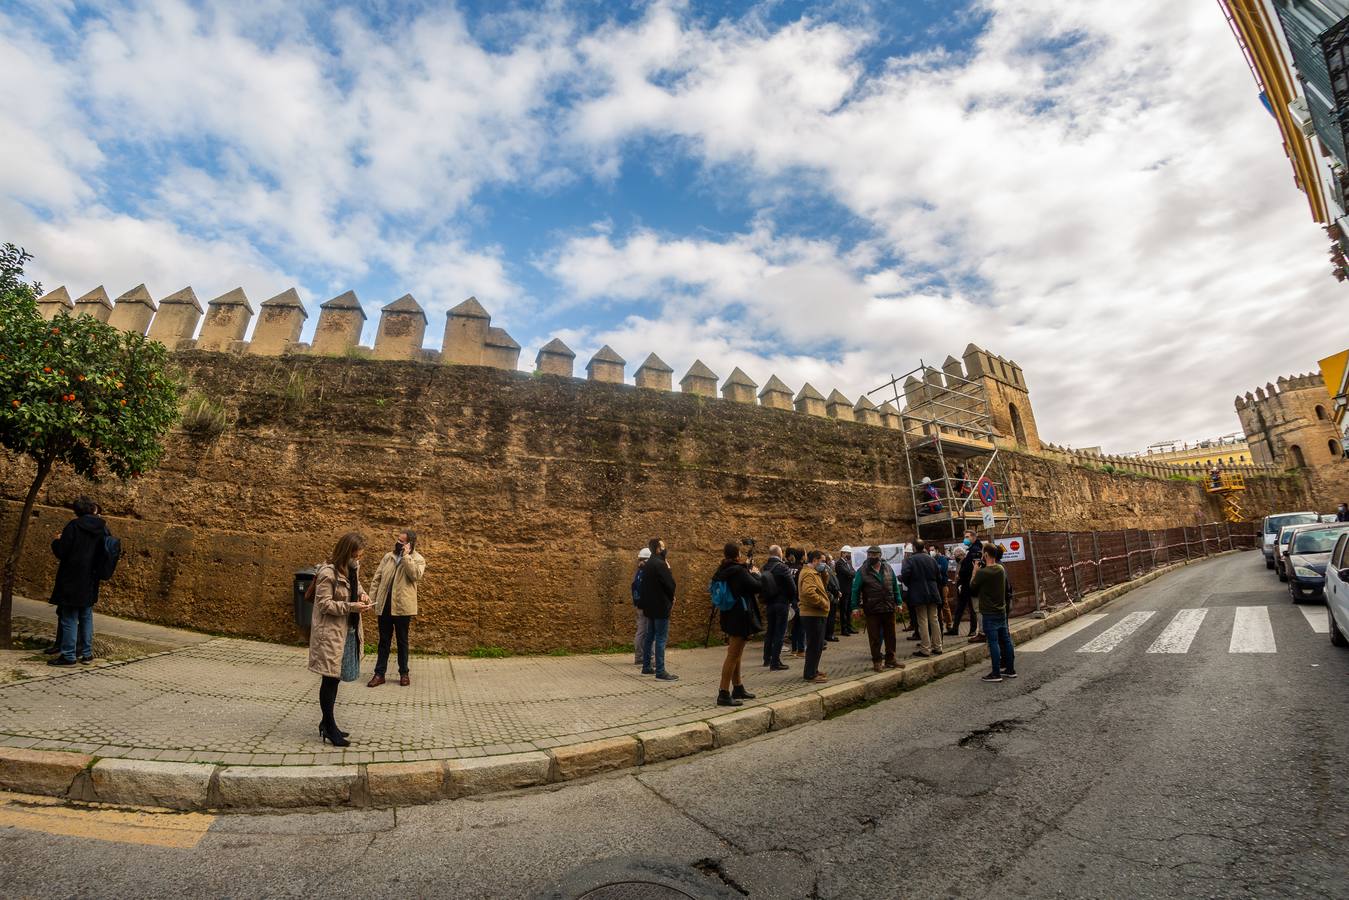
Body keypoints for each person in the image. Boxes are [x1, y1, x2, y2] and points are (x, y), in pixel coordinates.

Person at [309, 532, 372, 746]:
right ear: (347, 553)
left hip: (346, 630)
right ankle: (329, 726)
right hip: (330, 633)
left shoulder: (351, 569)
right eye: (356, 555)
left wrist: (362, 595)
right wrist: (351, 606)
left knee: (335, 678)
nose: (359, 559)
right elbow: (324, 604)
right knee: (330, 679)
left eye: (360, 556)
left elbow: (355, 587)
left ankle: (328, 724)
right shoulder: (328, 573)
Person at [46, 497, 109, 666]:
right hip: (91, 579)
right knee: (86, 616)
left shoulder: (73, 526)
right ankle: (87, 654)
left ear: (77, 511)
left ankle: (68, 655)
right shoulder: (103, 528)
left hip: (71, 578)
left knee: (69, 617)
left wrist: (57, 541)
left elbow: (62, 551)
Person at [366, 529, 426, 688]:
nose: (398, 543)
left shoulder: (418, 559)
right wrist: (372, 600)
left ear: (409, 544)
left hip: (402, 608)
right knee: (383, 641)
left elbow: (415, 576)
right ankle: (379, 674)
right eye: (398, 540)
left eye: (402, 541)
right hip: (385, 605)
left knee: (402, 641)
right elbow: (376, 579)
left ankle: (404, 673)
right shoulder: (388, 557)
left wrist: (406, 557)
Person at [713, 541, 763, 706]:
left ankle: (738, 687)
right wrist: (756, 573)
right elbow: (757, 586)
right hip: (740, 615)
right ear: (737, 555)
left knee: (737, 653)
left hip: (728, 614)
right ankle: (723, 693)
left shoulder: (723, 569)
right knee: (733, 655)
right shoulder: (739, 571)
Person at [851, 545, 900, 672]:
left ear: (880, 555)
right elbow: (855, 590)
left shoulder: (888, 568)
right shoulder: (862, 571)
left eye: (874, 555)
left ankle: (891, 659)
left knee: (891, 636)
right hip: (872, 609)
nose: (871, 557)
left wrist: (899, 602)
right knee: (875, 637)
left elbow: (895, 586)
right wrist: (855, 607)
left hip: (888, 607)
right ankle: (877, 661)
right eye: (869, 555)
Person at [971, 543, 1016, 682]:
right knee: (1006, 640)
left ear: (985, 555)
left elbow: (972, 588)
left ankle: (996, 673)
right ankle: (1010, 669)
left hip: (989, 612)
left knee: (993, 642)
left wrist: (975, 571)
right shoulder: (1001, 569)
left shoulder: (983, 573)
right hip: (1001, 610)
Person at [638, 538, 678, 681]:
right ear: (657, 549)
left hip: (650, 607)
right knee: (661, 638)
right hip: (661, 607)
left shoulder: (648, 564)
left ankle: (646, 666)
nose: (664, 548)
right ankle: (660, 671)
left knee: (650, 636)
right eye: (663, 546)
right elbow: (670, 584)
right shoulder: (661, 565)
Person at [900, 539, 944, 657]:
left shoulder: (910, 560)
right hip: (933, 592)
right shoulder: (931, 559)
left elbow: (905, 576)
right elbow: (938, 577)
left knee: (922, 620)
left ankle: (925, 648)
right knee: (934, 620)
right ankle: (938, 646)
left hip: (918, 593)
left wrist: (912, 585)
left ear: (914, 547)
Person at [797, 551, 832, 683]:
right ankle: (809, 674)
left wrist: (824, 573)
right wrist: (823, 603)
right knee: (813, 645)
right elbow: (808, 593)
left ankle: (814, 670)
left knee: (817, 645)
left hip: (817, 613)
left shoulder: (815, 573)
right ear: (815, 560)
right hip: (812, 614)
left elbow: (823, 585)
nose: (824, 564)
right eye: (822, 561)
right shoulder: (808, 573)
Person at [760, 545, 795, 670]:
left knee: (770, 631)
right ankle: (775, 662)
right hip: (782, 603)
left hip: (769, 603)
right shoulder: (782, 567)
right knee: (780, 633)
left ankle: (766, 659)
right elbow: (792, 587)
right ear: (780, 554)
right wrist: (791, 600)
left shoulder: (765, 567)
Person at [948, 531, 981, 638]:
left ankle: (973, 630)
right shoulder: (971, 550)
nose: (965, 539)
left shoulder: (975, 550)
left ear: (973, 537)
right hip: (964, 584)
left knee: (972, 608)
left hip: (969, 583)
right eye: (964, 537)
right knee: (960, 607)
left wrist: (963, 575)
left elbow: (972, 567)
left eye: (967, 537)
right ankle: (955, 628)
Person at [631, 546, 652, 665]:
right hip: (644, 606)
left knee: (641, 631)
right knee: (645, 631)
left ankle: (639, 656)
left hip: (639, 605)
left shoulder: (638, 572)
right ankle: (641, 657)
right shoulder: (644, 572)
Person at [786, 548, 806, 657]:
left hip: (791, 599)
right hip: (799, 599)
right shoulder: (801, 569)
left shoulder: (789, 567)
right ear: (802, 557)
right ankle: (801, 650)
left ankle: (794, 648)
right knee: (801, 625)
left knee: (794, 626)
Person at [834, 549, 857, 635]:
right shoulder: (839, 563)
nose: (849, 555)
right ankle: (844, 629)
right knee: (843, 610)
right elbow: (849, 573)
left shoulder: (848, 563)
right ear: (843, 553)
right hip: (843, 589)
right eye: (848, 553)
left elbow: (854, 572)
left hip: (849, 588)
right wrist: (851, 573)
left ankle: (849, 627)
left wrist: (852, 573)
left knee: (848, 609)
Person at [823, 553, 842, 643]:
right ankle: (829, 635)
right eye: (831, 559)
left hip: (834, 595)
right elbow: (831, 583)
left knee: (831, 617)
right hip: (831, 596)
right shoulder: (826, 569)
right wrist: (836, 592)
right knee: (830, 617)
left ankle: (829, 634)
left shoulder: (830, 569)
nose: (832, 561)